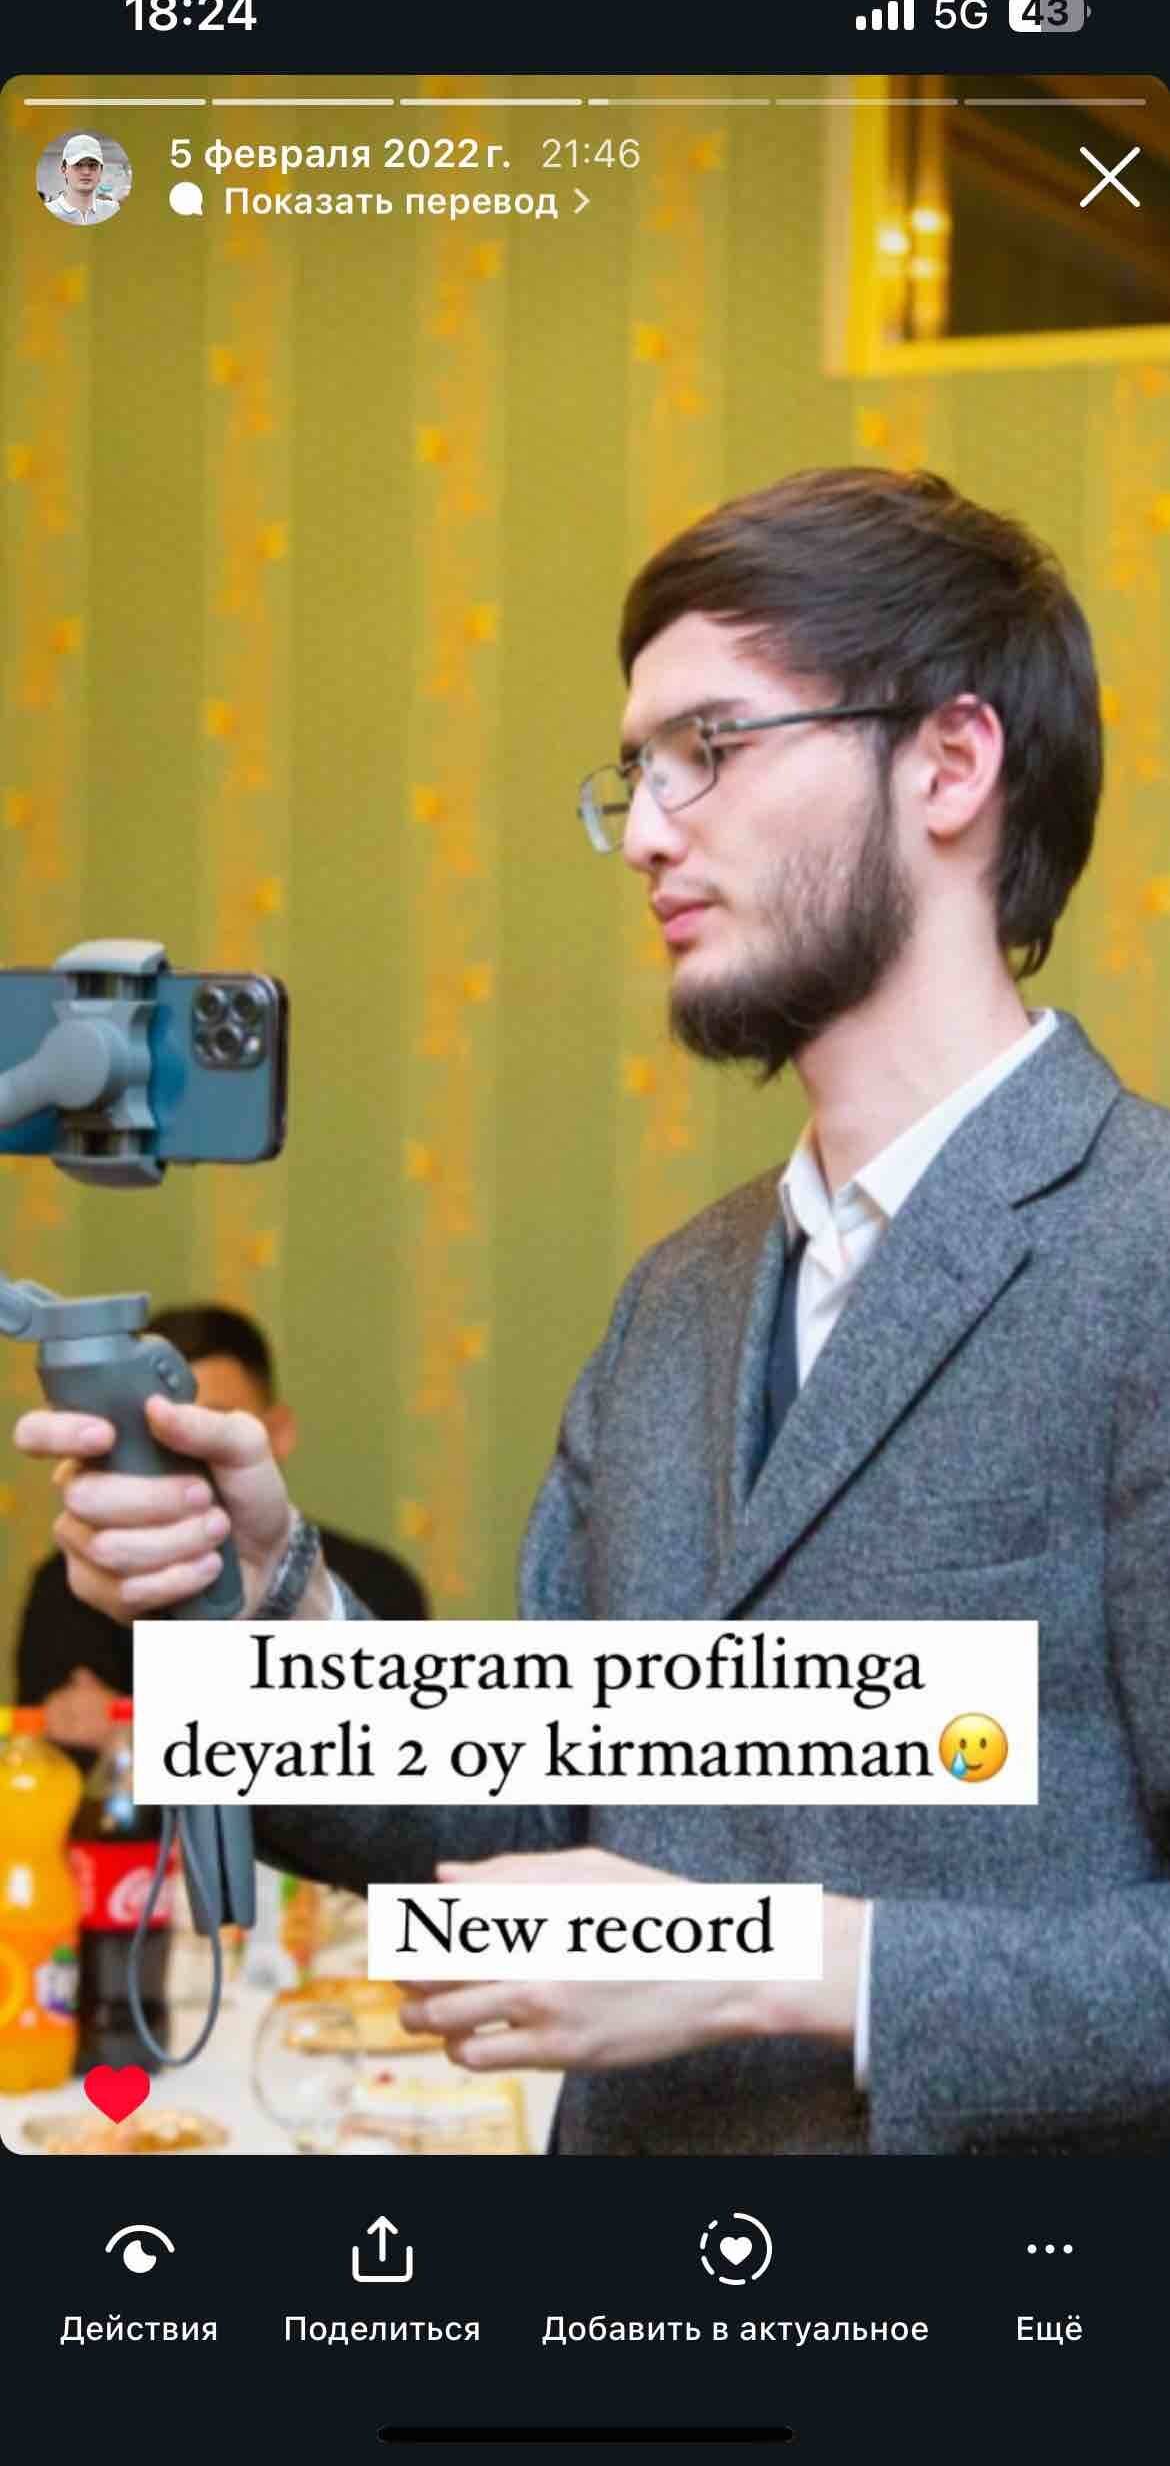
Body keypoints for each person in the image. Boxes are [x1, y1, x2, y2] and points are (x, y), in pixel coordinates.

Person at [17, 467, 1170, 2156]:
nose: (643, 832)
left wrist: (760, 1962)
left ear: (949, 761)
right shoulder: (678, 1298)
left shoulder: (1141, 1249)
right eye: (635, 771)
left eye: (710, 745)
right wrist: (258, 1593)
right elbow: (527, 1811)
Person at [16, 1302, 428, 1761]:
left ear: (278, 1432)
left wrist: (139, 1735)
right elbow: (51, 1767)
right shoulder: (71, 1586)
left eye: (213, 1422)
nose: (185, 1446)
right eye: (156, 1429)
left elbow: (398, 1757)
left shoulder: (378, 1584)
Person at [44, 135, 120, 225]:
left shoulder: (112, 210)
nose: (86, 172)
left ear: (101, 171)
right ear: (64, 170)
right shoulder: (48, 212)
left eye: (92, 165)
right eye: (78, 165)